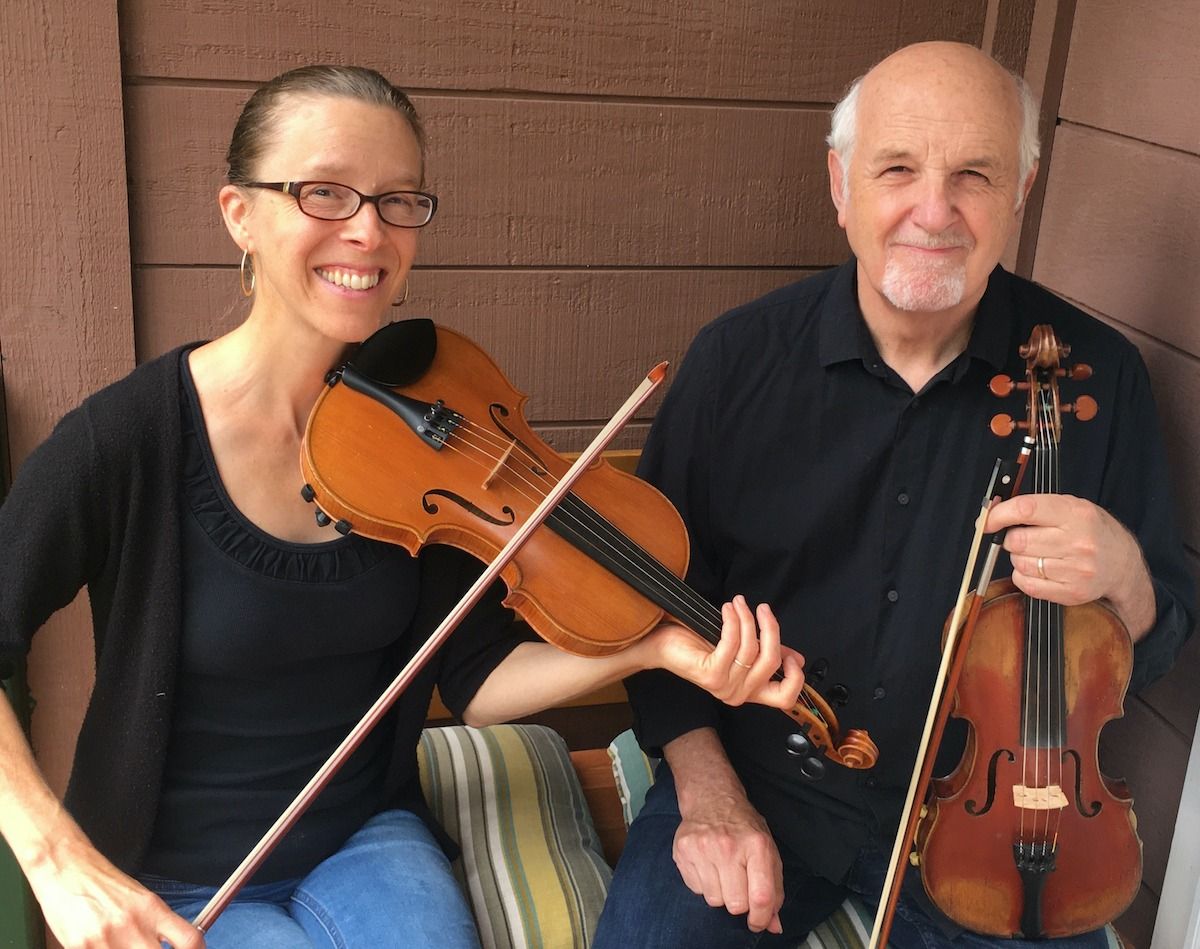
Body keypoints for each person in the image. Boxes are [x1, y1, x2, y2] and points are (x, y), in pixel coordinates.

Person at [0, 65, 805, 949]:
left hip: (364, 840)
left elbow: (476, 680)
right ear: (240, 213)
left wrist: (654, 646)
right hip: (175, 876)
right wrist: (56, 859)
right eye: (324, 193)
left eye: (397, 201)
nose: (368, 231)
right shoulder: (127, 440)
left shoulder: (431, 422)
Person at [594, 41, 1195, 948]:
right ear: (841, 186)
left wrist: (1130, 586)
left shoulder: (1097, 377)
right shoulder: (735, 364)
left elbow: (1154, 641)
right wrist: (709, 793)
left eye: (975, 175)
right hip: (762, 785)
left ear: (1023, 194)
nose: (934, 209)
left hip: (1001, 825)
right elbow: (655, 607)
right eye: (898, 168)